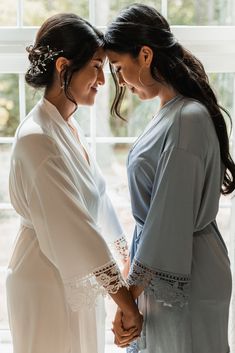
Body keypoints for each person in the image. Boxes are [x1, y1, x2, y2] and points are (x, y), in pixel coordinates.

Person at [6, 13, 143, 353]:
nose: (102, 79)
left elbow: (98, 196)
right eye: (96, 66)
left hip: (79, 274)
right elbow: (77, 227)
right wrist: (126, 302)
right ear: (64, 66)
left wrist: (126, 256)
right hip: (45, 280)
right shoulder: (37, 138)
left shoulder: (67, 127)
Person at [104, 3, 235, 353]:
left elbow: (168, 218)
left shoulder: (186, 118)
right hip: (164, 266)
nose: (119, 81)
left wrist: (128, 300)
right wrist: (130, 297)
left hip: (185, 271)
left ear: (145, 55)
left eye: (118, 67)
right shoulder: (169, 111)